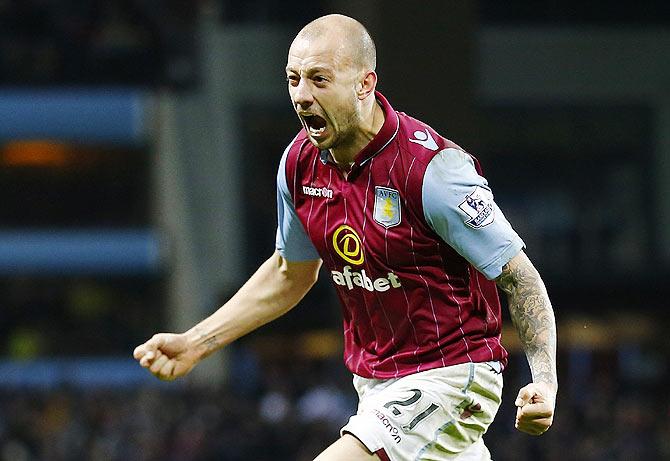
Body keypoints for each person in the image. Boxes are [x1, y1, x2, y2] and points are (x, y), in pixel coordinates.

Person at [134, 14, 557, 461]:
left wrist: (545, 381)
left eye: (319, 80)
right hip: (375, 386)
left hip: (452, 376)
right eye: (294, 79)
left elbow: (520, 278)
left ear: (364, 83)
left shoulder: (433, 171)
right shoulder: (299, 164)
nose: (302, 96)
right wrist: (196, 343)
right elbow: (287, 273)